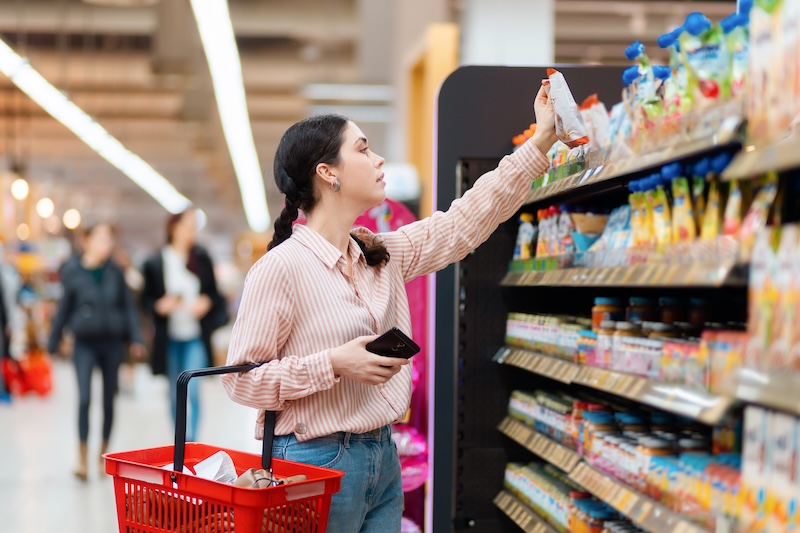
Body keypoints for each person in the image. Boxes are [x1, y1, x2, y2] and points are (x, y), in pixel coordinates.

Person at [221, 84, 557, 532]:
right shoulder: (280, 269)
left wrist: (541, 141)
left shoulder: (379, 254)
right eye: (364, 150)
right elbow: (241, 382)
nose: (379, 160)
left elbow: (463, 223)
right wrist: (334, 364)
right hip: (312, 462)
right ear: (328, 173)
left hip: (382, 453)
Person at [47, 223, 146, 480]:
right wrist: (52, 344)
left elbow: (128, 308)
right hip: (84, 343)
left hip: (112, 343)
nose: (106, 244)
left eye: (109, 239)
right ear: (86, 240)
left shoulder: (115, 272)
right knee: (84, 398)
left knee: (108, 400)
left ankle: (102, 454)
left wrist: (136, 338)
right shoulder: (73, 272)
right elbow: (63, 310)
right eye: (101, 238)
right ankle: (81, 458)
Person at [141, 208, 227, 443]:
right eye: (188, 226)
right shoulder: (156, 262)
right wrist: (160, 305)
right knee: (173, 392)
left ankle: (192, 441)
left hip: (195, 336)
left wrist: (206, 301)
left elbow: (215, 295)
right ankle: (179, 438)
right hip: (168, 338)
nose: (192, 232)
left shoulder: (201, 258)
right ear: (174, 228)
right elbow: (145, 300)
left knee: (194, 388)